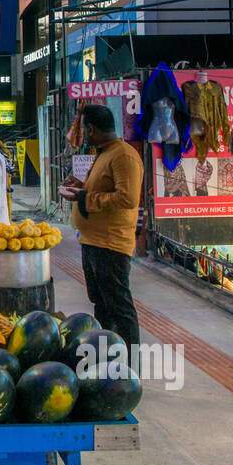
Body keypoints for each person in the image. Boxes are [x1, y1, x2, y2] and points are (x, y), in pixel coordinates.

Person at [58, 105, 143, 352]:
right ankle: (110, 357)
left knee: (119, 307)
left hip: (110, 245)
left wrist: (85, 198)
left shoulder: (123, 155)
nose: (82, 134)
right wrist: (82, 187)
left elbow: (127, 198)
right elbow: (103, 190)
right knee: (102, 305)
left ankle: (130, 364)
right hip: (93, 242)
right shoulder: (104, 152)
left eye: (83, 129)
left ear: (91, 129)